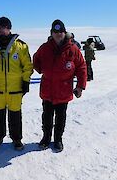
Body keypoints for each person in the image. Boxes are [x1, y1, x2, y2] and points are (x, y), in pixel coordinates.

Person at [33, 20, 87, 152]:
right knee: (47, 116)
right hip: (48, 90)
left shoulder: (73, 49)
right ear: (51, 33)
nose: (58, 34)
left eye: (60, 32)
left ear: (65, 32)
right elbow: (36, 60)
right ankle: (46, 138)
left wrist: (80, 86)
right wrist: (41, 70)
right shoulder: (45, 48)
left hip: (63, 91)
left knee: (60, 118)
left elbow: (81, 67)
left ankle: (58, 139)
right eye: (55, 32)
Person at [0, 17, 33, 151]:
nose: (1, 30)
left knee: (15, 116)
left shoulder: (20, 46)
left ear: (9, 28)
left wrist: (25, 81)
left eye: (4, 27)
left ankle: (17, 139)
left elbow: (27, 66)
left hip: (15, 89)